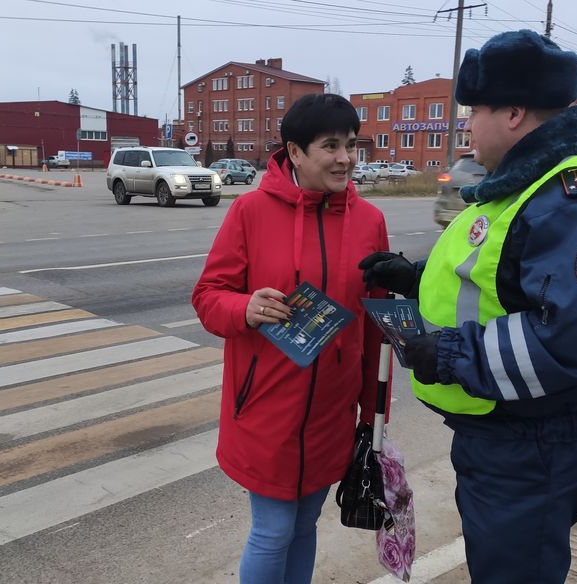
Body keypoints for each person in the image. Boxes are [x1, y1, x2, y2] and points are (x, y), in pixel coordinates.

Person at [359, 30, 577, 583]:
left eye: (475, 111)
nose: (467, 125)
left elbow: (572, 337)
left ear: (515, 113)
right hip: (503, 437)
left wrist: (448, 352)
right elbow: (497, 279)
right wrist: (416, 279)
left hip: (532, 446)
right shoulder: (521, 187)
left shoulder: (575, 198)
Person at [193, 93, 391, 584]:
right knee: (274, 529)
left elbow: (374, 327)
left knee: (305, 524)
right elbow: (208, 297)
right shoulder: (250, 212)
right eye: (330, 145)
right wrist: (246, 308)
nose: (345, 158)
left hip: (332, 412)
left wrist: (373, 414)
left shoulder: (370, 221)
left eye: (350, 145)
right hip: (265, 405)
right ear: (295, 152)